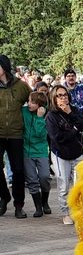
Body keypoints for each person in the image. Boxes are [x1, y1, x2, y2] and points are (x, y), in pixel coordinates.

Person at [46, 85, 83, 224]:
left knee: (79, 185)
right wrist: (75, 130)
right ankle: (65, 213)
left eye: (65, 94)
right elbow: (57, 137)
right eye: (59, 95)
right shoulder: (51, 116)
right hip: (60, 154)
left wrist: (70, 113)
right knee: (63, 186)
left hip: (76, 152)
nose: (63, 97)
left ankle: (78, 211)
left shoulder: (73, 110)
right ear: (53, 98)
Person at [0, 53, 29, 218]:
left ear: (4, 67)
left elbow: (37, 98)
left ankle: (19, 205)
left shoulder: (20, 86)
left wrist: (39, 107)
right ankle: (4, 196)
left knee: (18, 170)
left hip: (16, 133)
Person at [22, 88, 51, 217]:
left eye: (32, 102)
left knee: (44, 177)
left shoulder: (45, 116)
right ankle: (38, 207)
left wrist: (40, 118)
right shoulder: (23, 112)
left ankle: (45, 202)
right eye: (29, 101)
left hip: (41, 151)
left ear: (40, 105)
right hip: (27, 151)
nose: (29, 104)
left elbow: (40, 135)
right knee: (32, 180)